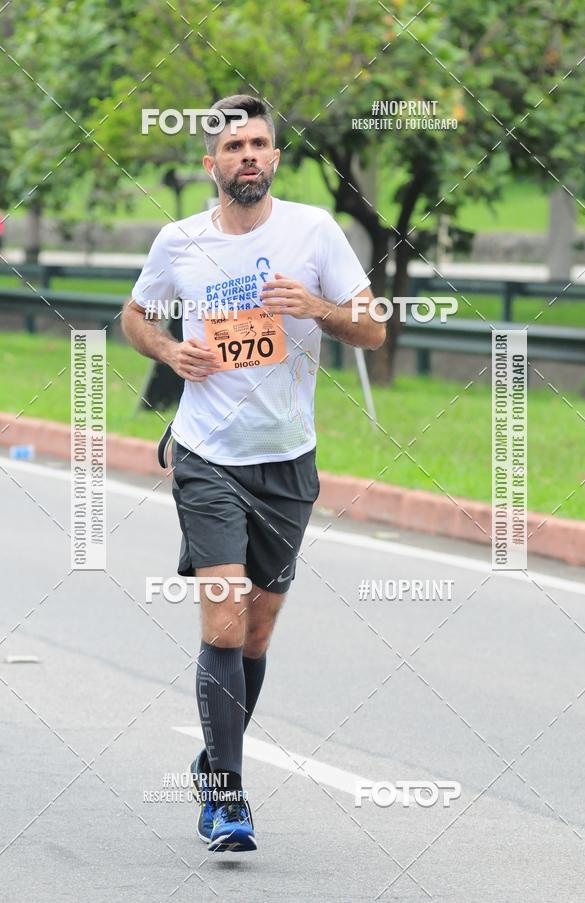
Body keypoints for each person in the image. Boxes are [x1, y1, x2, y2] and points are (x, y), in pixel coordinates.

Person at [121, 94, 385, 853]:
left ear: (275, 158)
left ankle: (214, 756)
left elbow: (373, 326)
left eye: (259, 144)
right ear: (211, 163)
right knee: (226, 616)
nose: (247, 155)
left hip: (288, 458)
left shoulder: (314, 232)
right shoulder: (180, 241)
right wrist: (171, 353)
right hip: (206, 454)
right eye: (232, 145)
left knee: (260, 628)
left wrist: (318, 306)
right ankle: (230, 798)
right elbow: (135, 316)